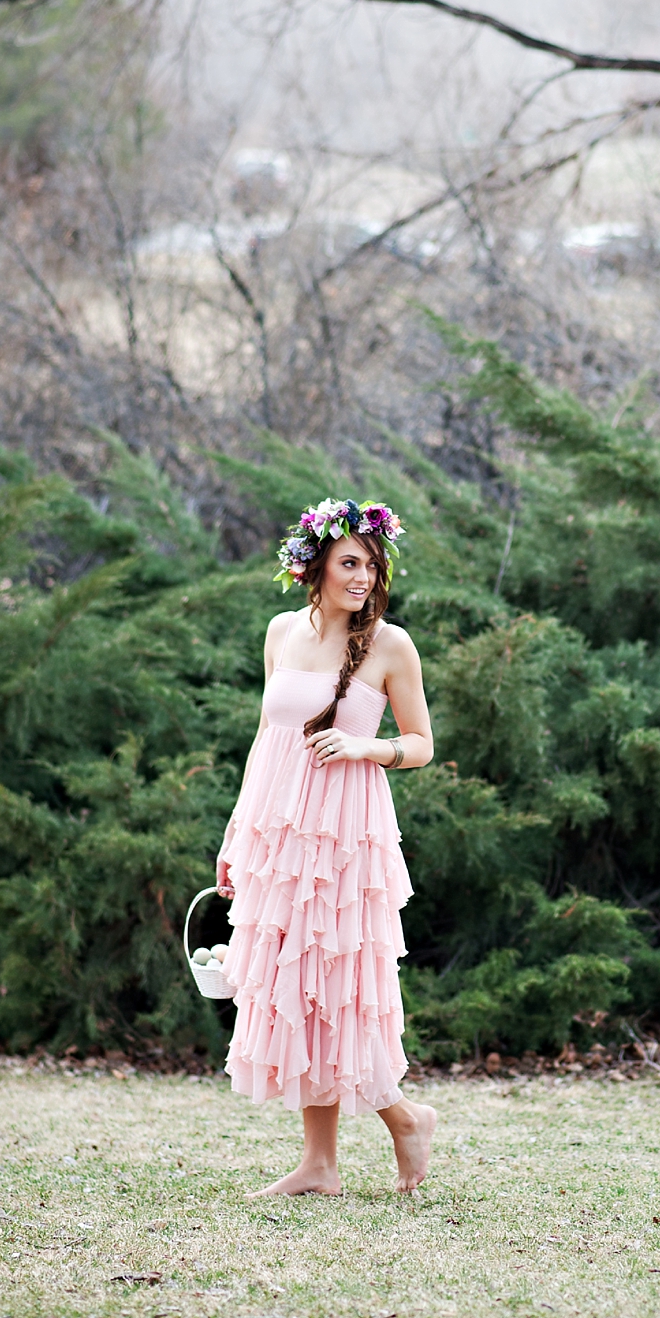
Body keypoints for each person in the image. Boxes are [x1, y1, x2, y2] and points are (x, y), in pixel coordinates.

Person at [215, 502, 438, 1196]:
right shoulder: (281, 631)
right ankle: (320, 1164)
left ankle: (405, 1118)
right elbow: (265, 735)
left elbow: (422, 744)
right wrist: (235, 828)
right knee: (297, 984)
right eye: (350, 562)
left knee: (341, 986)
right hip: (279, 827)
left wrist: (364, 746)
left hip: (346, 833)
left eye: (372, 565)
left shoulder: (391, 646)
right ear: (312, 565)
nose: (363, 576)